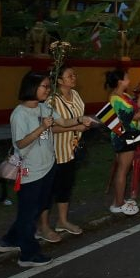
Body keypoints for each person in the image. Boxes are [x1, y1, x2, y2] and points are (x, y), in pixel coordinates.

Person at [0, 72, 91, 267]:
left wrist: (81, 119)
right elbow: (20, 143)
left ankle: (10, 239)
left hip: (48, 166)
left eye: (48, 87)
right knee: (28, 213)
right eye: (44, 87)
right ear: (31, 88)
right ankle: (28, 255)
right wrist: (41, 128)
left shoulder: (45, 107)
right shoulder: (19, 114)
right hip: (30, 170)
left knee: (37, 207)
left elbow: (63, 122)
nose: (48, 90)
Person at [41, 65, 91, 237]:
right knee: (48, 191)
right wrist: (77, 126)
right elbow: (49, 129)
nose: (74, 78)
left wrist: (82, 126)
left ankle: (62, 221)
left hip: (71, 149)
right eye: (69, 76)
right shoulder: (51, 101)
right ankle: (44, 226)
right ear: (60, 80)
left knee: (65, 187)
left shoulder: (75, 95)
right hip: (55, 152)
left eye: (74, 75)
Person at [104, 68, 140, 214]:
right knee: (123, 170)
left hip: (132, 135)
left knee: (125, 168)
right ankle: (118, 203)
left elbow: (136, 107)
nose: (129, 79)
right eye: (127, 77)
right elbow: (134, 117)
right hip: (123, 137)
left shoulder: (124, 95)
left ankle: (118, 200)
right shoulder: (115, 99)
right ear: (119, 81)